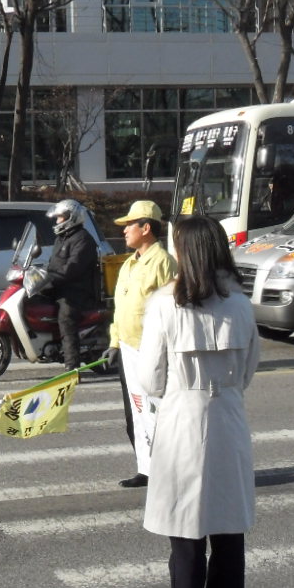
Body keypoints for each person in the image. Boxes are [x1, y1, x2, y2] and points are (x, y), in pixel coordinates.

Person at [140, 215, 260, 588]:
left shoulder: (164, 305)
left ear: (184, 252)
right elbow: (248, 372)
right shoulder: (242, 306)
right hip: (228, 417)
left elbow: (151, 379)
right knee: (229, 536)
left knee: (185, 537)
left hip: (181, 420)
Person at [107, 201, 175, 489]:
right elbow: (120, 308)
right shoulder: (129, 263)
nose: (124, 230)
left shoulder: (164, 262)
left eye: (129, 225)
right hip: (128, 350)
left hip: (153, 351)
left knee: (158, 411)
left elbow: (174, 309)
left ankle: (170, 470)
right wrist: (114, 342)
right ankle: (146, 469)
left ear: (146, 228)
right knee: (135, 412)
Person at [38, 199, 102, 372]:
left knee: (66, 318)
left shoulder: (83, 240)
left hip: (76, 291)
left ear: (71, 218)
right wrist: (40, 275)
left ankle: (72, 368)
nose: (57, 221)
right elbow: (54, 265)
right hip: (60, 286)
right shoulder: (63, 238)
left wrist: (51, 280)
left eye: (60, 217)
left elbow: (71, 268)